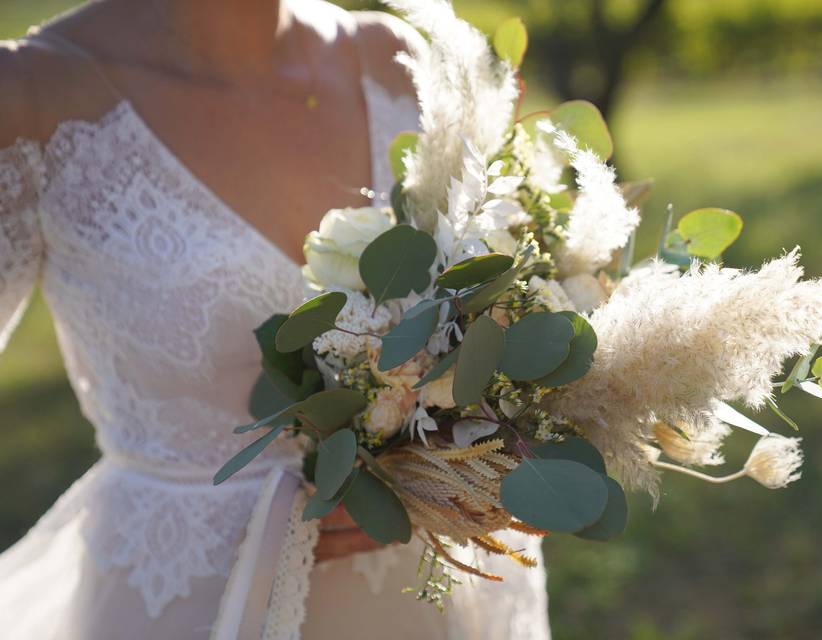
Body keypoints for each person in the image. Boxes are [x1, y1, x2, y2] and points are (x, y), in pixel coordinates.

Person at [0, 0, 549, 637]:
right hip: (186, 606)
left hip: (415, 600)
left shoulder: (397, 63)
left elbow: (513, 310)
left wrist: (472, 458)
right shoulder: (31, 95)